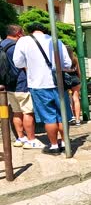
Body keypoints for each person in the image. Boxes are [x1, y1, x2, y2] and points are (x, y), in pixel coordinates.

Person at [13, 22, 72, 155]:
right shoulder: (56, 41)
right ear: (45, 31)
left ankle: (54, 145)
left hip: (38, 85)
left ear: (30, 31)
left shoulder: (24, 41)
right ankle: (64, 142)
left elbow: (18, 62)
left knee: (49, 117)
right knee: (62, 115)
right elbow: (67, 63)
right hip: (59, 84)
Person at [0, 25, 43, 149]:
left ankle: (20, 138)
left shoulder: (2, 45)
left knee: (16, 112)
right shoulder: (16, 47)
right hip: (21, 83)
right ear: (18, 33)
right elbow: (25, 66)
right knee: (28, 112)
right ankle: (31, 139)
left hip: (9, 86)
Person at [65, 46, 81, 126]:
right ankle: (78, 119)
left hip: (66, 80)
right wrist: (79, 79)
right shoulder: (75, 59)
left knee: (67, 99)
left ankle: (70, 117)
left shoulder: (63, 60)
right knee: (76, 99)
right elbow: (79, 72)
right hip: (75, 79)